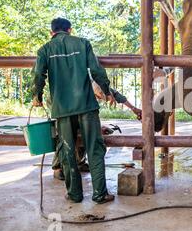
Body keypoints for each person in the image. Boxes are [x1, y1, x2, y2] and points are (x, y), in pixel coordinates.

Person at [31, 17, 114, 204]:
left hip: (62, 109)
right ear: (70, 29)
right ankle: (100, 193)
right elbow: (96, 70)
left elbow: (38, 75)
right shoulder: (83, 43)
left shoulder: (44, 50)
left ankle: (74, 194)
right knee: (95, 148)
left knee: (67, 151)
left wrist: (37, 96)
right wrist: (107, 91)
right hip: (86, 105)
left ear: (51, 32)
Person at [52, 86, 142, 180]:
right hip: (67, 114)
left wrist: (133, 109)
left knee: (88, 134)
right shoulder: (81, 92)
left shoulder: (99, 84)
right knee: (65, 138)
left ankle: (80, 163)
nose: (101, 100)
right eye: (100, 98)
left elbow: (116, 95)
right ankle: (57, 168)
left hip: (82, 116)